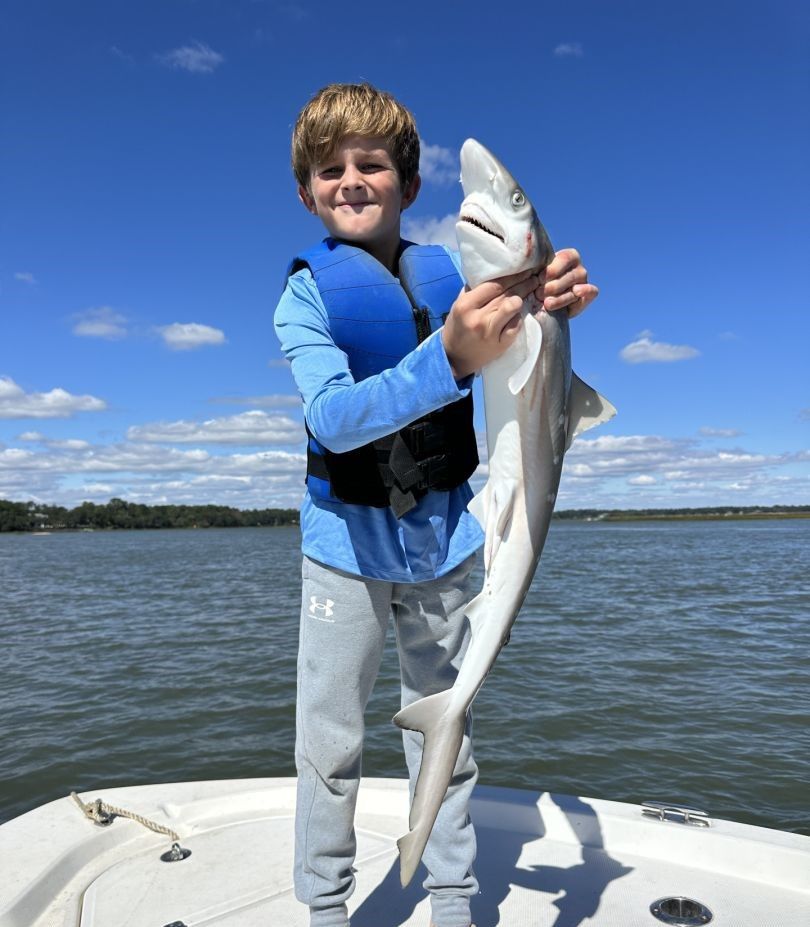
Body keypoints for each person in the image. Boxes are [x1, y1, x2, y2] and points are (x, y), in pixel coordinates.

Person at [274, 82, 599, 927]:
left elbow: (531, 333)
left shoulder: (457, 269)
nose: (351, 180)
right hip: (342, 547)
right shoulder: (306, 295)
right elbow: (332, 419)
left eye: (372, 164)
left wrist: (547, 297)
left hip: (448, 540)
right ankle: (326, 910)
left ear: (408, 185)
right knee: (331, 744)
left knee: (447, 741)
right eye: (330, 168)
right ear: (309, 189)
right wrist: (447, 355)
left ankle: (453, 902)